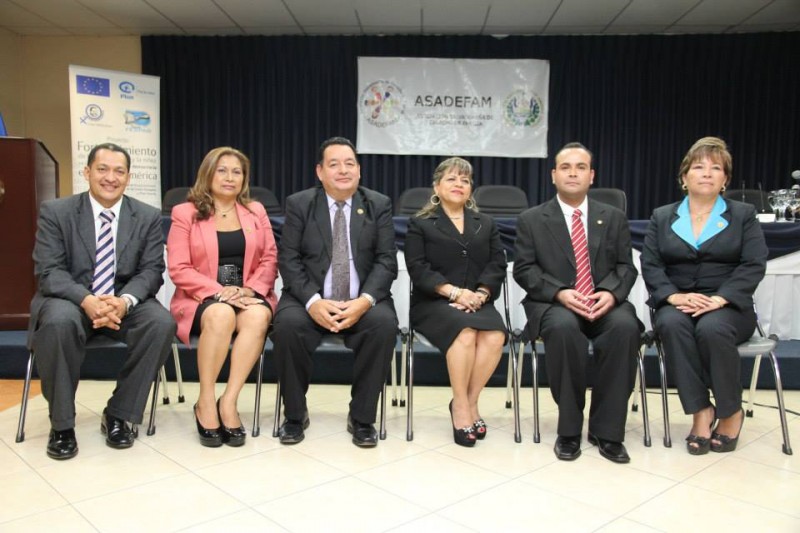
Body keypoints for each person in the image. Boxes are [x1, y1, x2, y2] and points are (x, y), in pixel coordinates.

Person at [29, 143, 176, 460]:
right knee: (58, 322)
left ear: (128, 177)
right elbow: (49, 271)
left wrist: (123, 301)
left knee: (161, 323)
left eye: (119, 171)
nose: (111, 177)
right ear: (87, 172)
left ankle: (119, 414)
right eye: (102, 169)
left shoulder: (147, 216)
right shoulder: (57, 212)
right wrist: (86, 299)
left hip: (122, 301)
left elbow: (151, 270)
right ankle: (62, 425)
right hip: (70, 298)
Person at [513, 142, 640, 463]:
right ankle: (569, 431)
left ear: (591, 176)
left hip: (604, 302)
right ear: (553, 175)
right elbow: (524, 270)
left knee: (625, 327)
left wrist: (610, 293)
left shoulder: (613, 217)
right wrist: (559, 292)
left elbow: (626, 267)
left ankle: (607, 432)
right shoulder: (531, 219)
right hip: (555, 304)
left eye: (580, 167)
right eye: (565, 167)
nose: (573, 173)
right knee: (564, 329)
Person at [641, 136, 767, 455]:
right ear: (684, 177)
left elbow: (753, 264)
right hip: (678, 302)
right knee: (671, 325)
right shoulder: (662, 216)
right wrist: (673, 297)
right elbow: (651, 264)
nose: (707, 173)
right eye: (699, 167)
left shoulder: (743, 215)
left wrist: (721, 299)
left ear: (725, 179)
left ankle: (730, 411)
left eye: (716, 168)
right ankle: (701, 411)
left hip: (728, 305)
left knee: (712, 328)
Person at [272, 137, 398, 448]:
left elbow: (386, 261)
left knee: (383, 325)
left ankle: (362, 418)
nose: (343, 170)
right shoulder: (300, 204)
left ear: (359, 170)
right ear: (320, 172)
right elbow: (289, 259)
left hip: (362, 300)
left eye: (349, 163)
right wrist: (313, 302)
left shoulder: (378, 204)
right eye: (334, 164)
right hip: (309, 299)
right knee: (287, 325)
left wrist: (364, 302)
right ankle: (294, 415)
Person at [167, 147, 278, 448]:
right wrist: (219, 293)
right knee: (221, 313)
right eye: (222, 170)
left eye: (237, 172)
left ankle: (228, 401)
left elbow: (270, 258)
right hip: (201, 297)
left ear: (244, 178)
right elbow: (179, 267)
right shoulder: (185, 213)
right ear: (208, 174)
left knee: (259, 316)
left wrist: (249, 290)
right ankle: (205, 401)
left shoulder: (256, 211)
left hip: (247, 294)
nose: (230, 177)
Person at [404, 157, 507, 447]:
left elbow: (497, 264)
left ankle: (470, 402)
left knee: (495, 336)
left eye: (465, 180)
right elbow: (418, 268)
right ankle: (461, 407)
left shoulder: (486, 224)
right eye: (451, 179)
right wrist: (454, 293)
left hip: (478, 300)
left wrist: (482, 294)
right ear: (437, 186)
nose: (459, 184)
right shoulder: (421, 223)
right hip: (433, 303)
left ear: (471, 189)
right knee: (466, 333)